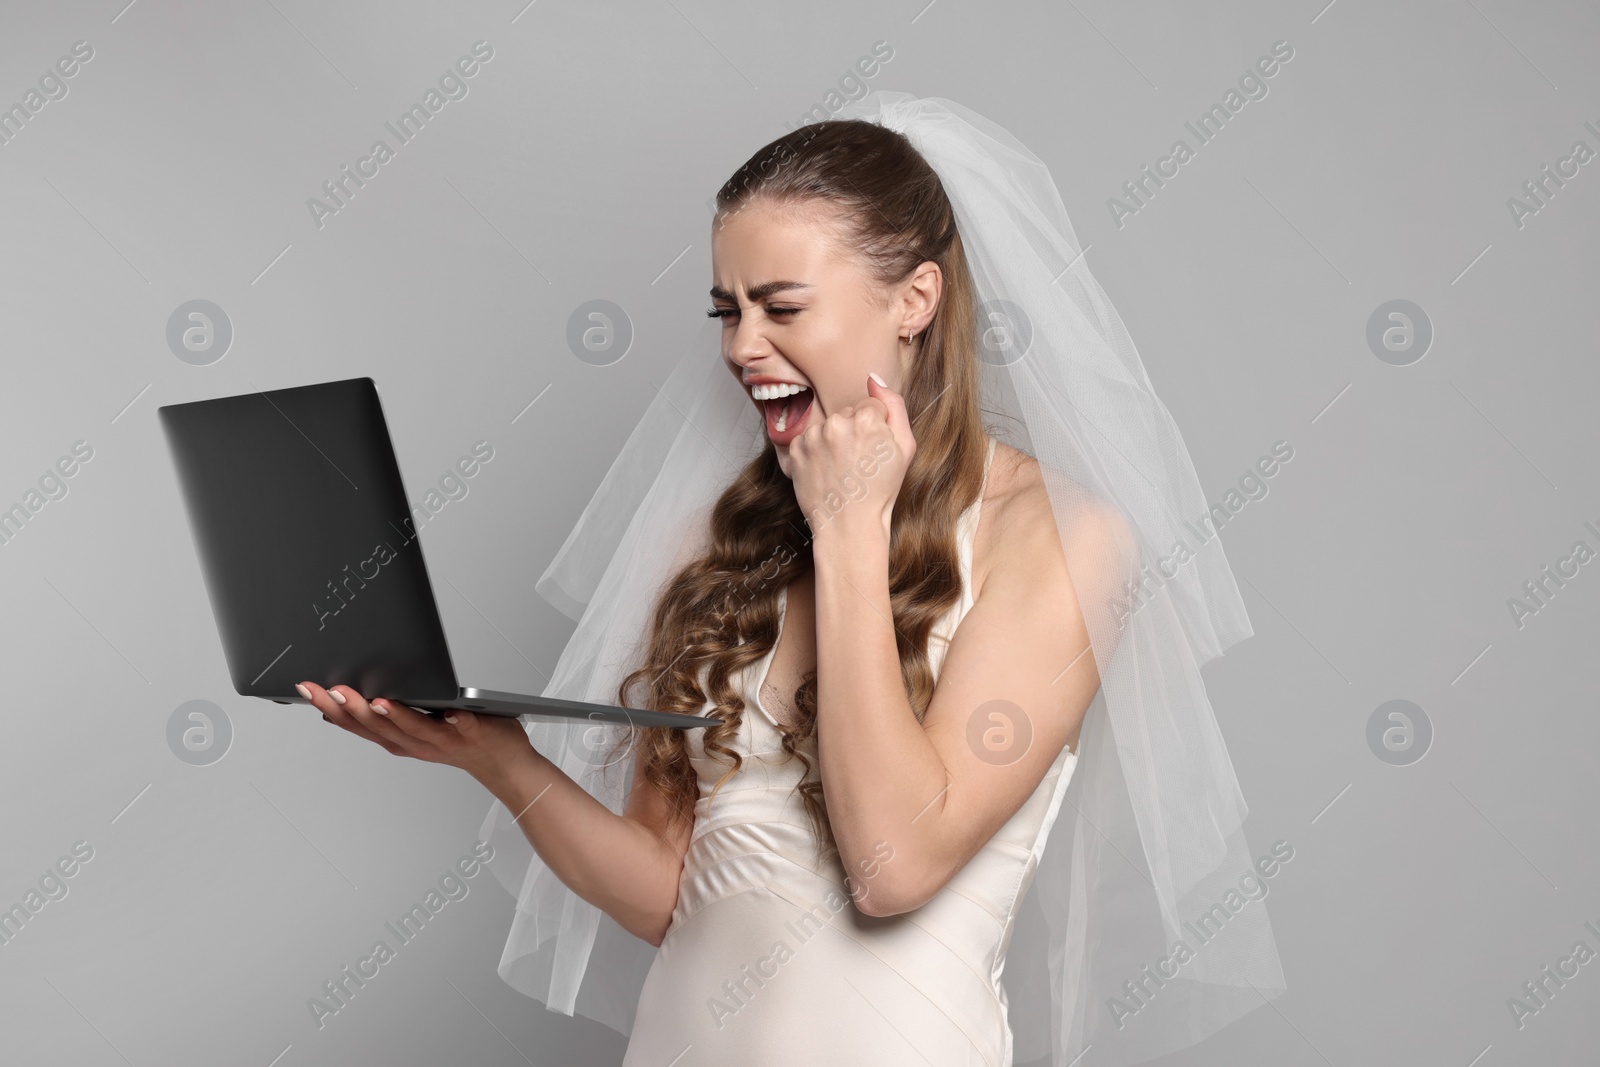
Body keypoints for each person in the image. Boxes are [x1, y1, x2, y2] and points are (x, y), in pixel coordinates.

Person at [297, 93, 1286, 1067]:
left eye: (781, 308)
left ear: (915, 300)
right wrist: (499, 757)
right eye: (727, 310)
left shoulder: (1064, 536)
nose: (740, 347)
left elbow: (892, 868)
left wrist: (850, 530)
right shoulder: (718, 539)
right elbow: (669, 892)